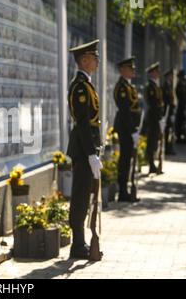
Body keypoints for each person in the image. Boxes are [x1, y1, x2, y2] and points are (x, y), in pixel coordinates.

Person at [66, 39, 102, 259]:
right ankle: (77, 244)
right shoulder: (80, 87)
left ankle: (81, 242)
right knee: (80, 197)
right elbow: (82, 124)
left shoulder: (86, 84)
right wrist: (90, 154)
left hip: (87, 149)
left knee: (85, 196)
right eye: (94, 58)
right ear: (85, 60)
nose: (97, 62)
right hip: (82, 150)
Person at [113, 56, 141, 202]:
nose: (133, 70)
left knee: (128, 159)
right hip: (125, 128)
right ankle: (123, 192)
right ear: (123, 70)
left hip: (130, 127)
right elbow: (125, 111)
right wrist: (132, 131)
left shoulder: (129, 86)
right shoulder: (122, 87)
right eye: (130, 68)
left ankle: (126, 190)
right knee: (124, 159)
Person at [143, 62, 165, 174]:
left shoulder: (156, 86)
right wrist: (159, 117)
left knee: (155, 141)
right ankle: (151, 164)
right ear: (152, 73)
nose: (158, 74)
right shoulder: (150, 87)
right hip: (152, 118)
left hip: (157, 117)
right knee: (151, 141)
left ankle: (153, 164)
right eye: (156, 72)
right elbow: (153, 104)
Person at [162, 69, 176, 155]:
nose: (172, 77)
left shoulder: (169, 86)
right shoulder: (165, 87)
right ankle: (167, 148)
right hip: (167, 112)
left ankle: (170, 147)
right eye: (171, 76)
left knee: (170, 130)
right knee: (167, 130)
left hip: (170, 111)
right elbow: (166, 100)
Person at [175, 70, 186, 143]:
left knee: (183, 122)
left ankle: (183, 136)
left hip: (183, 105)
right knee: (180, 122)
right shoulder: (179, 85)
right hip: (181, 106)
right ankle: (179, 137)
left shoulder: (183, 84)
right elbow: (179, 95)